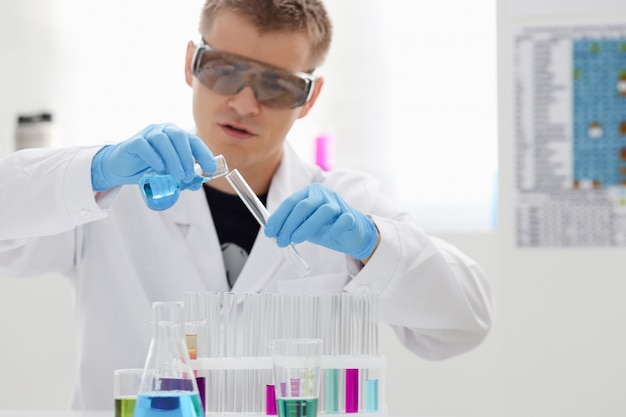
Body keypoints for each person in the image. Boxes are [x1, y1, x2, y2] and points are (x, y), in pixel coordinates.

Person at [0, 0, 493, 410]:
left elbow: (463, 324)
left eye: (276, 84)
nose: (244, 103)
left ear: (310, 96)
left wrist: (373, 244)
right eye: (224, 71)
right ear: (191, 63)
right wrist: (95, 169)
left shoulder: (351, 204)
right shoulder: (115, 196)